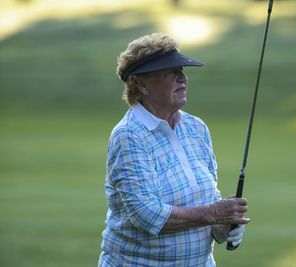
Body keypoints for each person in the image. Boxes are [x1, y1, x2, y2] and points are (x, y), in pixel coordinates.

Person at [98, 32, 250, 266]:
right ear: (142, 84)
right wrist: (214, 213)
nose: (183, 79)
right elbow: (146, 214)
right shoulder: (129, 135)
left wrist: (224, 225)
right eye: (171, 73)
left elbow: (209, 198)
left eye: (182, 71)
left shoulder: (195, 128)